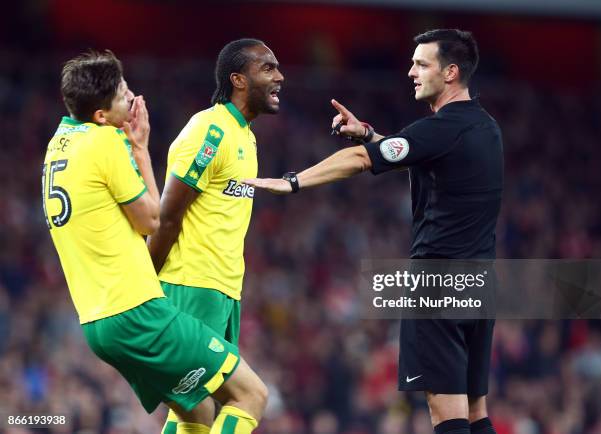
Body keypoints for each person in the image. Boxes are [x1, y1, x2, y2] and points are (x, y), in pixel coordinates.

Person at [244, 29, 503, 434]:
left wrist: (291, 182)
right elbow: (411, 154)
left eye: (422, 64)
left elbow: (359, 160)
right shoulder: (485, 127)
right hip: (478, 281)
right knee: (475, 412)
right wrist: (370, 135)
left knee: (447, 416)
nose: (411, 71)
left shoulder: (440, 127)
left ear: (451, 72)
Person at [43, 50, 267, 434]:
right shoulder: (105, 142)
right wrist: (140, 149)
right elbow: (153, 219)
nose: (131, 98)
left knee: (194, 411)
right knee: (251, 395)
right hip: (136, 311)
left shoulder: (57, 147)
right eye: (122, 94)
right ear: (100, 115)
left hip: (97, 322)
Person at [146, 39, 284, 434]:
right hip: (192, 283)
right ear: (239, 80)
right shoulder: (209, 129)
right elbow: (168, 216)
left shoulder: (246, 136)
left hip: (224, 289)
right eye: (268, 68)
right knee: (236, 398)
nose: (280, 76)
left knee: (197, 406)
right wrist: (143, 282)